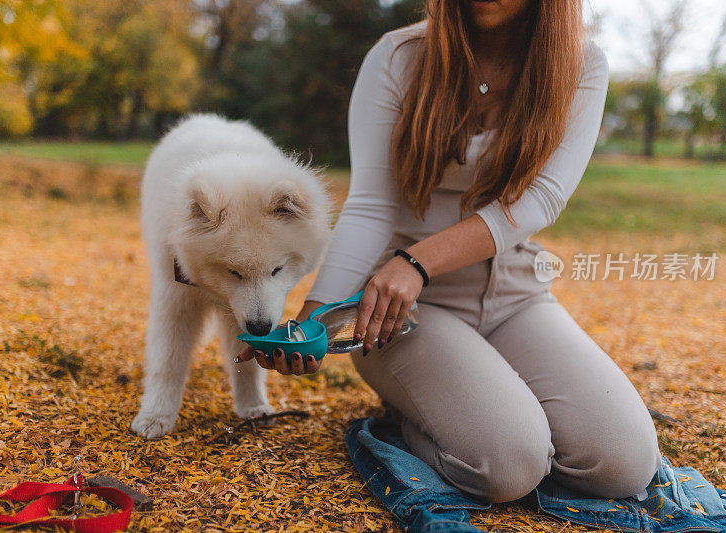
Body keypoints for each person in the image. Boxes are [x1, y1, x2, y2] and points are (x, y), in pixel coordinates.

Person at [238, 0, 661, 503]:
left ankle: (465, 410)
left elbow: (542, 199)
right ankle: (422, 416)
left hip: (514, 292)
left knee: (623, 466)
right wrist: (315, 318)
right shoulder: (397, 57)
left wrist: (420, 261)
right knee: (509, 466)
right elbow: (372, 204)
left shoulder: (581, 62)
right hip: (398, 308)